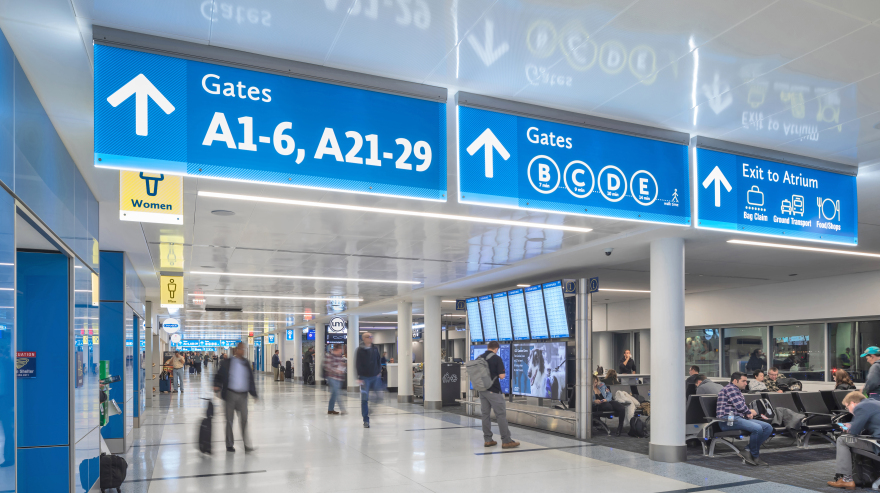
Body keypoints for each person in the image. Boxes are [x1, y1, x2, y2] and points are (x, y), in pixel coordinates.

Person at [717, 372, 773, 466]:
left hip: (738, 418)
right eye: (743, 381)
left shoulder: (736, 390)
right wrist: (749, 412)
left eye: (746, 381)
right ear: (735, 381)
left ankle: (747, 450)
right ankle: (755, 456)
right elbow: (740, 406)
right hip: (727, 420)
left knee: (768, 427)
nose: (746, 383)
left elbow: (740, 407)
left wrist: (747, 413)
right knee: (757, 428)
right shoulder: (730, 389)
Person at [827, 391, 880, 488]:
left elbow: (854, 431)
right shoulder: (874, 402)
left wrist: (850, 428)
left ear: (852, 403)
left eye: (847, 407)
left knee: (842, 440)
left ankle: (847, 480)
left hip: (878, 443)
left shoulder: (861, 407)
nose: (848, 410)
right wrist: (853, 424)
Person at [213, 342, 257, 453]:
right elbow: (218, 375)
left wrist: (254, 393)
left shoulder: (246, 363)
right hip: (230, 395)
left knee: (244, 420)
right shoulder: (227, 362)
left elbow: (250, 379)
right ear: (236, 350)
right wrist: (217, 386)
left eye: (245, 349)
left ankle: (246, 445)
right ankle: (229, 445)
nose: (243, 351)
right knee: (229, 420)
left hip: (243, 396)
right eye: (242, 349)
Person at [477, 341, 519, 449]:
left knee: (485, 415)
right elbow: (502, 376)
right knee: (501, 415)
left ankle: (488, 440)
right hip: (494, 391)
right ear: (496, 349)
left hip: (482, 390)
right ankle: (506, 440)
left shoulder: (479, 358)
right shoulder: (497, 358)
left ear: (488, 347)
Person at [356, 332, 382, 428]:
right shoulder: (360, 350)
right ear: (364, 339)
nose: (371, 338)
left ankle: (369, 410)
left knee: (379, 396)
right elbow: (358, 363)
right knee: (364, 399)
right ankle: (366, 419)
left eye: (371, 336)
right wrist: (359, 377)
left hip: (375, 376)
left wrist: (379, 371)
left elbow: (378, 360)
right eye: (368, 337)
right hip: (364, 377)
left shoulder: (375, 349)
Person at [324, 345, 347, 415]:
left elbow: (340, 365)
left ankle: (330, 409)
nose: (341, 351)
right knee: (337, 393)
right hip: (332, 377)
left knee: (334, 394)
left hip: (339, 378)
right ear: (337, 349)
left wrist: (344, 365)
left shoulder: (340, 357)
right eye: (341, 349)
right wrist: (336, 371)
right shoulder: (330, 356)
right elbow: (327, 367)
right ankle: (343, 409)